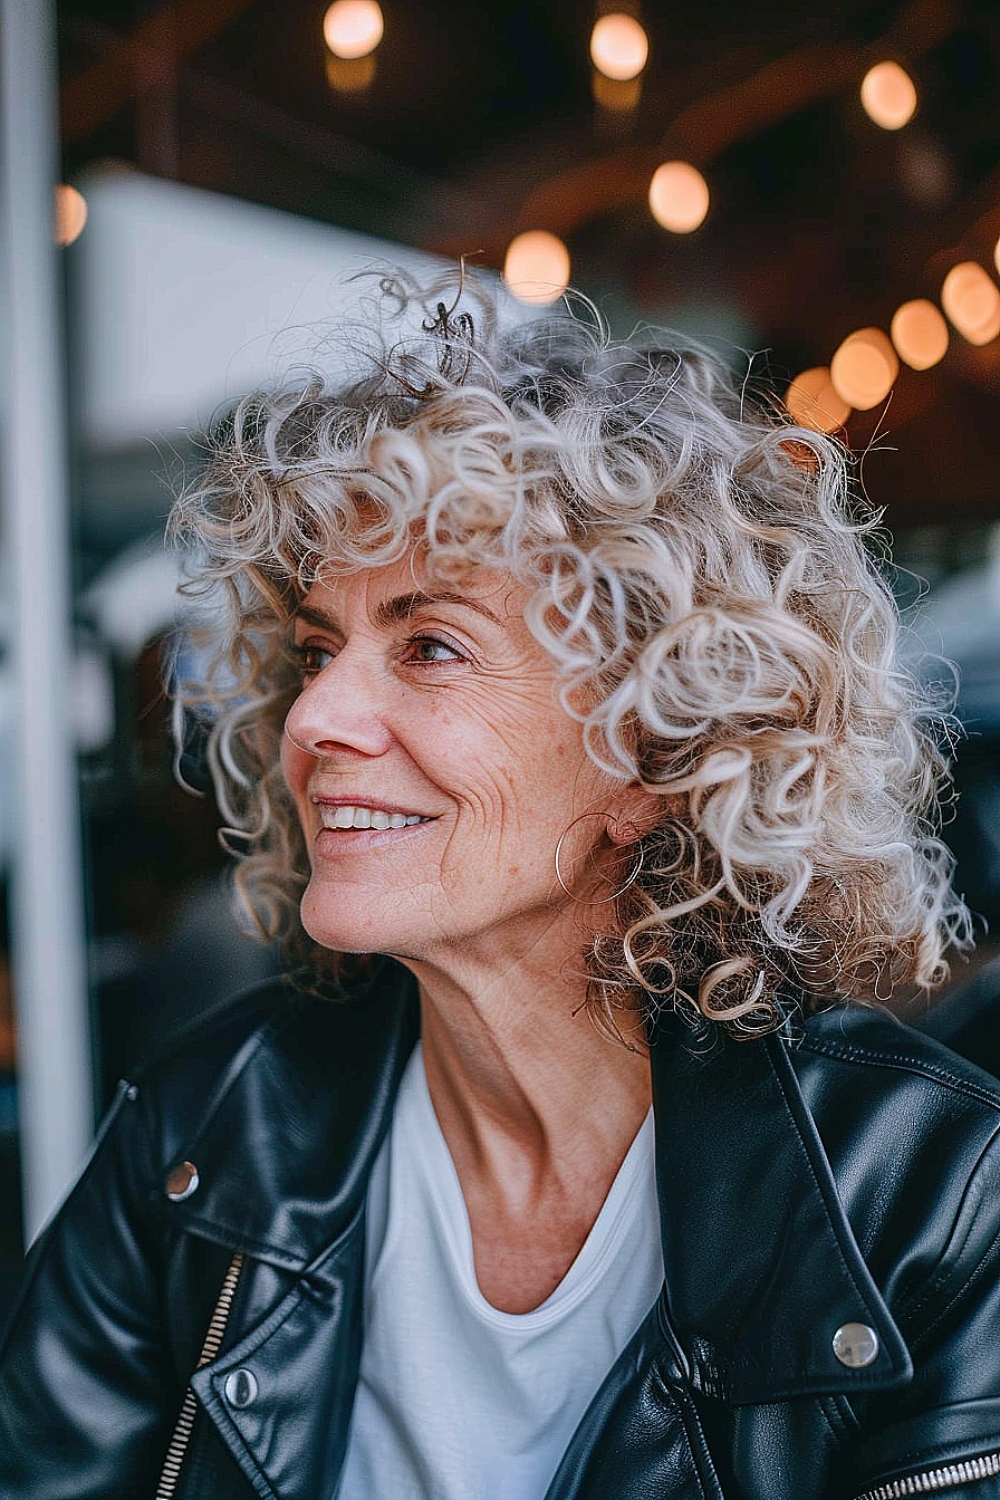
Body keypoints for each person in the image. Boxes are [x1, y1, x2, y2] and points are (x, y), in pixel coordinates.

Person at [2, 273, 999, 1500]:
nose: (311, 716)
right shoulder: (203, 1133)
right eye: (317, 649)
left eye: (429, 645)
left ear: (658, 750)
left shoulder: (929, 1195)